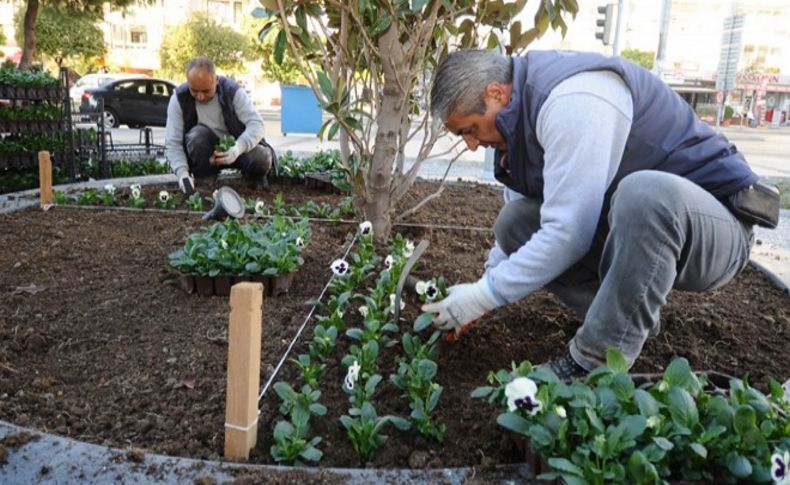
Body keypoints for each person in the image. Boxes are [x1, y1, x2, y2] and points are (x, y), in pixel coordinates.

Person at [423, 49, 761, 380]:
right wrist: (478, 291)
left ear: (496, 93)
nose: (470, 143)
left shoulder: (574, 101)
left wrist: (484, 297)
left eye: (470, 128)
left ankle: (594, 361)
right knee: (516, 224)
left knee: (644, 194)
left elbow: (568, 233)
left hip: (717, 228)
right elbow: (525, 217)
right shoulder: (517, 129)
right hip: (641, 226)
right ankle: (627, 318)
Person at [166, 56, 275, 193]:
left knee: (262, 156)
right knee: (196, 136)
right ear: (187, 82)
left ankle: (254, 181)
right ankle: (205, 180)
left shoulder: (232, 92)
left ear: (216, 80)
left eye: (206, 91)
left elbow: (257, 124)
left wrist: (237, 148)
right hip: (206, 154)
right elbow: (173, 142)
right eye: (194, 91)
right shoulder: (179, 99)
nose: (200, 97)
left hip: (237, 150)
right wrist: (182, 174)